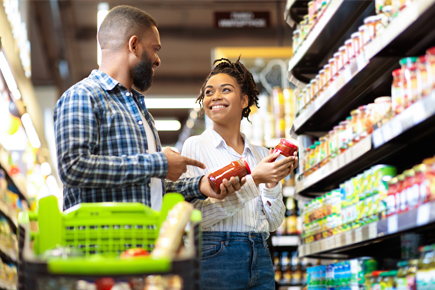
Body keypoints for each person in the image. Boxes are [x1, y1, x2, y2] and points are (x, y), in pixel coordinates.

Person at [53, 5, 243, 211]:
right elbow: (73, 168)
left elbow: (151, 186)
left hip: (144, 239)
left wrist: (200, 185)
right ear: (134, 45)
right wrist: (158, 163)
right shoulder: (83, 96)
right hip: (100, 240)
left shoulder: (140, 112)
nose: (158, 60)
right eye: (155, 49)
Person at [181, 58, 298, 289]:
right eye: (208, 92)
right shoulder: (196, 147)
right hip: (216, 255)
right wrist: (255, 180)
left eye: (226, 90)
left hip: (261, 255)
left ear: (245, 100)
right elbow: (197, 218)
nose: (215, 97)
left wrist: (272, 182)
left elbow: (274, 223)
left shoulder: (261, 154)